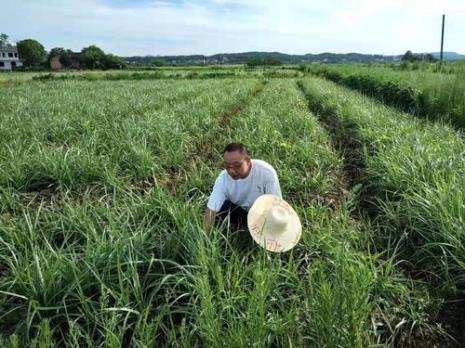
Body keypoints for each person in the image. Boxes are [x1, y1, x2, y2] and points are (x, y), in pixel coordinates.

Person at [204, 142, 282, 236]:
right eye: (227, 166)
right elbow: (211, 209)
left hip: (262, 215)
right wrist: (204, 237)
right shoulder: (223, 179)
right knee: (221, 208)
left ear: (248, 161)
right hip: (240, 211)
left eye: (237, 165)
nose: (231, 171)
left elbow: (275, 204)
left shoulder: (266, 173)